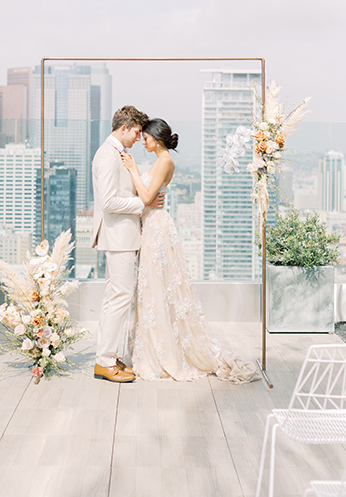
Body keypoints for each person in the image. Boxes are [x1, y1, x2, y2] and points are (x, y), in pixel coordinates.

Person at [121, 118, 258, 383]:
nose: (143, 142)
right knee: (153, 288)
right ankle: (153, 346)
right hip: (152, 225)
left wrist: (134, 172)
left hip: (157, 229)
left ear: (156, 139)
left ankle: (161, 353)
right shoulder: (161, 161)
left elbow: (148, 198)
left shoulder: (165, 162)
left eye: (146, 138)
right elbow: (150, 198)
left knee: (156, 287)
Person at [92, 105, 165, 383]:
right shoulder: (108, 156)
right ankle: (105, 361)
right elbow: (109, 202)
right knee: (119, 297)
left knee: (116, 296)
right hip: (118, 236)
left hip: (122, 235)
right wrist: (143, 203)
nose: (138, 137)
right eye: (136, 132)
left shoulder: (115, 153)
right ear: (124, 128)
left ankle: (108, 356)